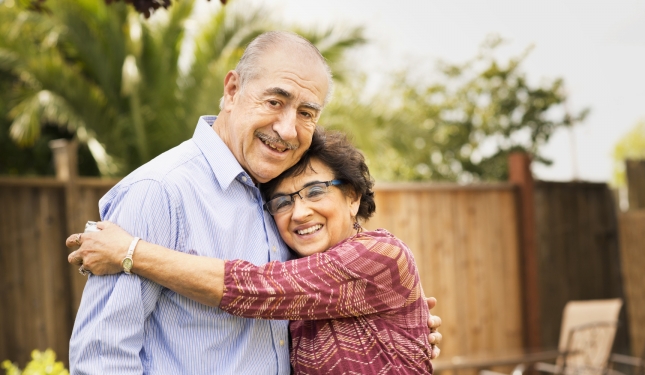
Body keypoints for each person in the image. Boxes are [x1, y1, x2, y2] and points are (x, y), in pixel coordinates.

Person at [67, 31, 440, 375]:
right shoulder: (159, 190)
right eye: (275, 101)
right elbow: (102, 356)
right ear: (232, 90)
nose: (287, 129)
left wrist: (399, 330)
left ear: (353, 197)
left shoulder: (278, 202)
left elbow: (265, 289)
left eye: (307, 113)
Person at [68, 129, 432, 374]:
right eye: (282, 201)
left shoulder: (381, 255)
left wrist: (130, 251)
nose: (300, 212)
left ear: (352, 197)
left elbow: (257, 287)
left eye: (316, 191)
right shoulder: (302, 270)